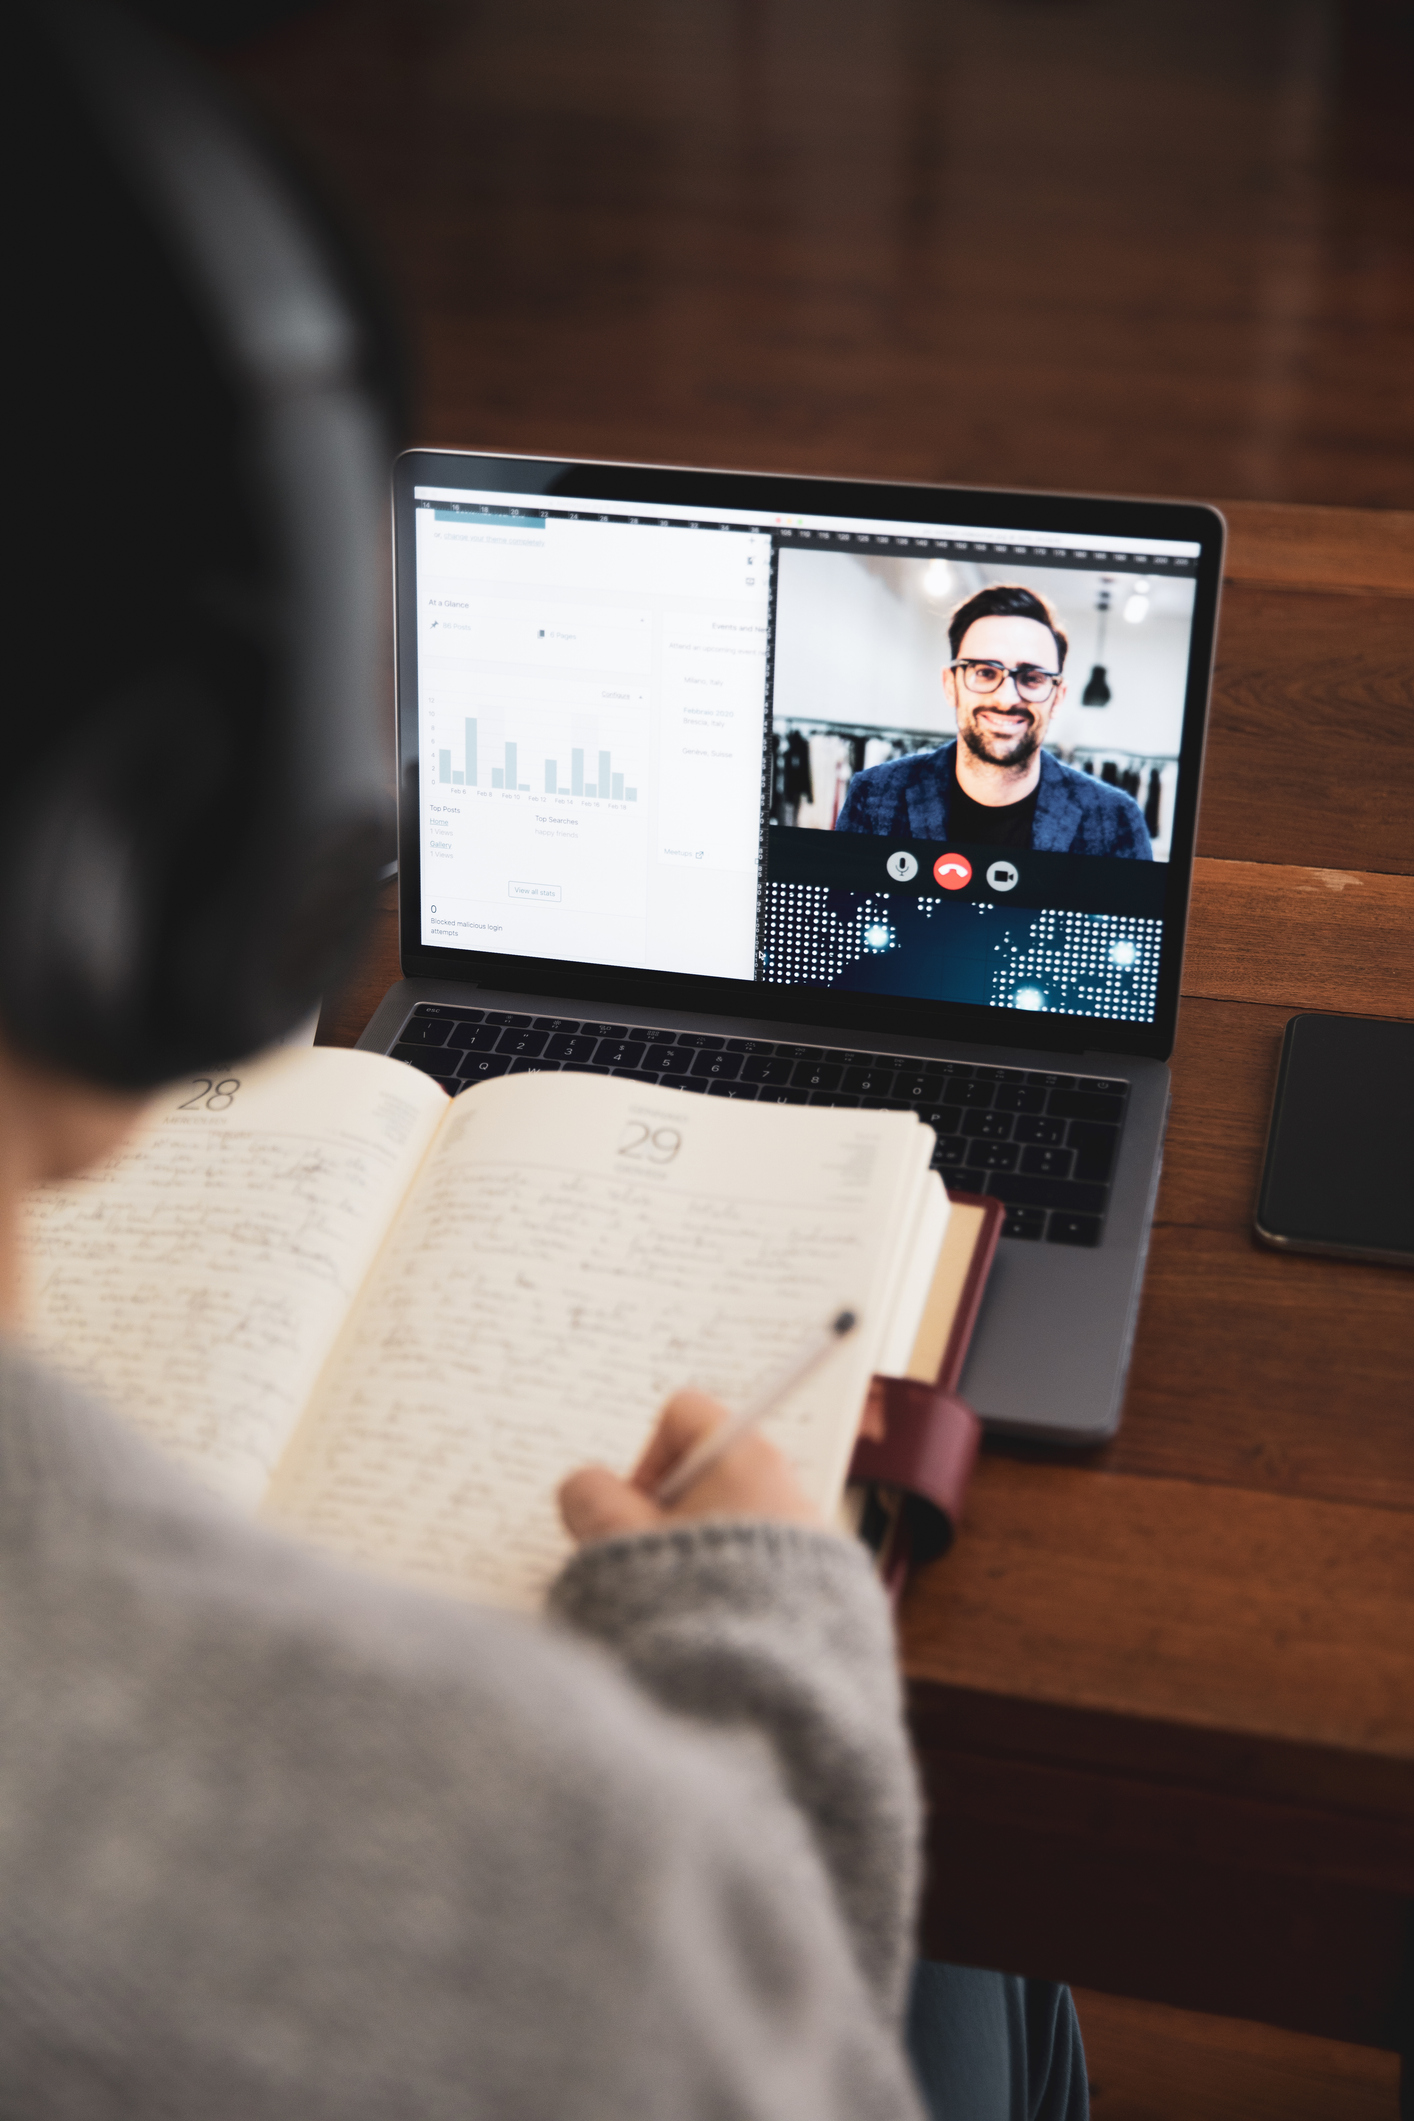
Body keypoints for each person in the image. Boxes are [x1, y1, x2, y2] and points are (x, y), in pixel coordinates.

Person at [0, 6, 1090, 2116]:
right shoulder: (560, 1879)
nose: (1003, 695)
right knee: (1001, 1998)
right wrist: (767, 1641)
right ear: (200, 852)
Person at [835, 584, 1153, 857]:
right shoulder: (875, 796)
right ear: (950, 685)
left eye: (1032, 677)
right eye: (985, 672)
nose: (1006, 698)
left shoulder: (1116, 820)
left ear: (1058, 696)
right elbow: (840, 920)